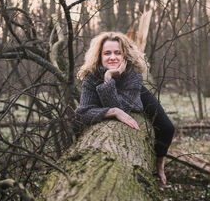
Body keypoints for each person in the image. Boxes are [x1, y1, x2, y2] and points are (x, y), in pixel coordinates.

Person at [75, 31, 175, 184]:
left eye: (117, 53)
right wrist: (112, 110)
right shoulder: (91, 77)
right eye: (107, 53)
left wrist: (108, 84)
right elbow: (84, 113)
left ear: (124, 55)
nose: (113, 57)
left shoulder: (133, 75)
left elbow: (124, 108)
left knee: (167, 127)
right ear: (99, 56)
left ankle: (160, 163)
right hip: (117, 99)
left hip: (137, 95)